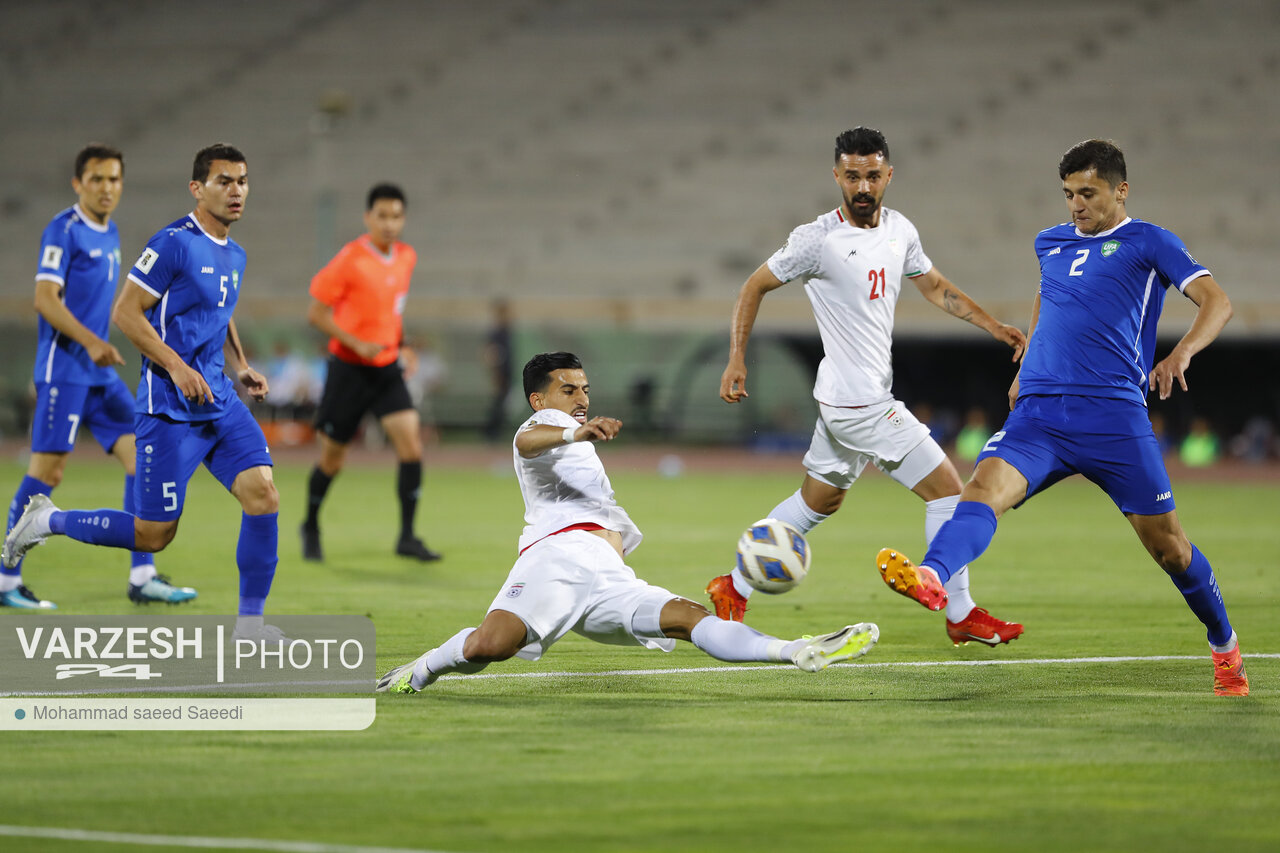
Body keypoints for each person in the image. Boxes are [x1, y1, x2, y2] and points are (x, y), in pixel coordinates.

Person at [878, 139, 1248, 696]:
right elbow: (1048, 297)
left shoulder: (1151, 241)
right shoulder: (1050, 242)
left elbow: (1218, 301)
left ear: (1121, 191)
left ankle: (1224, 645)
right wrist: (1027, 366)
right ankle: (932, 575)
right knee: (981, 492)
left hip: (1113, 417)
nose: (1077, 204)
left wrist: (1181, 353)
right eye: (1069, 194)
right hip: (1041, 414)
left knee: (1170, 548)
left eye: (1088, 193)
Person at [377, 352, 879, 693]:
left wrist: (578, 436)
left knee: (689, 619)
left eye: (585, 389)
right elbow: (527, 443)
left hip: (607, 574)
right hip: (558, 559)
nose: (581, 398)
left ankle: (796, 650)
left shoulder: (570, 430)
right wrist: (574, 434)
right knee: (491, 646)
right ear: (538, 400)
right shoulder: (543, 426)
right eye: (567, 389)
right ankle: (420, 670)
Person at [707, 127, 1028, 648]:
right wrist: (737, 358)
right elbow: (753, 285)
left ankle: (734, 585)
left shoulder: (900, 230)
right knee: (951, 492)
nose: (862, 186)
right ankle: (960, 612)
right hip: (862, 405)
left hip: (842, 399)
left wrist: (992, 326)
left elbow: (935, 287)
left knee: (819, 502)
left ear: (888, 176)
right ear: (836, 175)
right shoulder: (817, 239)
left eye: (872, 176)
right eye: (852, 176)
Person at [4, 143, 281, 638]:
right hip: (169, 407)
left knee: (263, 495)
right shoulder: (173, 243)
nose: (235, 190)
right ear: (197, 189)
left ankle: (250, 626)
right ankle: (47, 521)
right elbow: (126, 312)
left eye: (242, 181)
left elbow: (221, 311)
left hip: (218, 399)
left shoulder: (234, 252)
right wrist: (176, 366)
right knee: (154, 534)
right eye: (223, 181)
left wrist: (240, 365)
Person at [3, 144, 195, 609]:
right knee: (48, 471)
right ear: (78, 184)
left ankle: (142, 576)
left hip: (100, 374)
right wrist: (91, 341)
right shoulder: (64, 229)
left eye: (113, 179)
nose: (106, 188)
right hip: (66, 370)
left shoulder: (111, 232)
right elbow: (45, 299)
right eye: (97, 179)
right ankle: (6, 579)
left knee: (140, 460)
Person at [300, 183, 440, 563]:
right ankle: (310, 525)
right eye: (382, 216)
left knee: (411, 448)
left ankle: (407, 537)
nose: (389, 223)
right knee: (333, 461)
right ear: (368, 217)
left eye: (396, 216)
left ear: (403, 219)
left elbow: (392, 312)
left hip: (386, 370)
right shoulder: (350, 259)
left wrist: (403, 345)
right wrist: (355, 343)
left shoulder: (406, 257)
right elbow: (316, 313)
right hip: (348, 370)